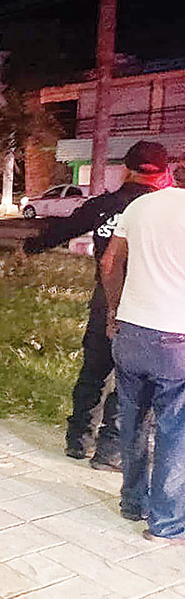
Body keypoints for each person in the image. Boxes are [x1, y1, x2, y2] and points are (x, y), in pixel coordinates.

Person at [23, 140, 171, 470]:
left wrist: (30, 245)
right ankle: (111, 451)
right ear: (163, 174)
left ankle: (78, 440)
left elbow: (59, 231)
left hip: (105, 302)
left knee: (93, 372)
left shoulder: (104, 205)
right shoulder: (166, 210)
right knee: (131, 380)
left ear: (126, 169)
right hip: (146, 308)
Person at [100, 182, 185, 544]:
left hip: (132, 331)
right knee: (175, 429)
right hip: (177, 338)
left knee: (133, 419)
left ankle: (133, 502)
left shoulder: (141, 205)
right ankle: (166, 524)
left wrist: (113, 311)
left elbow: (109, 262)